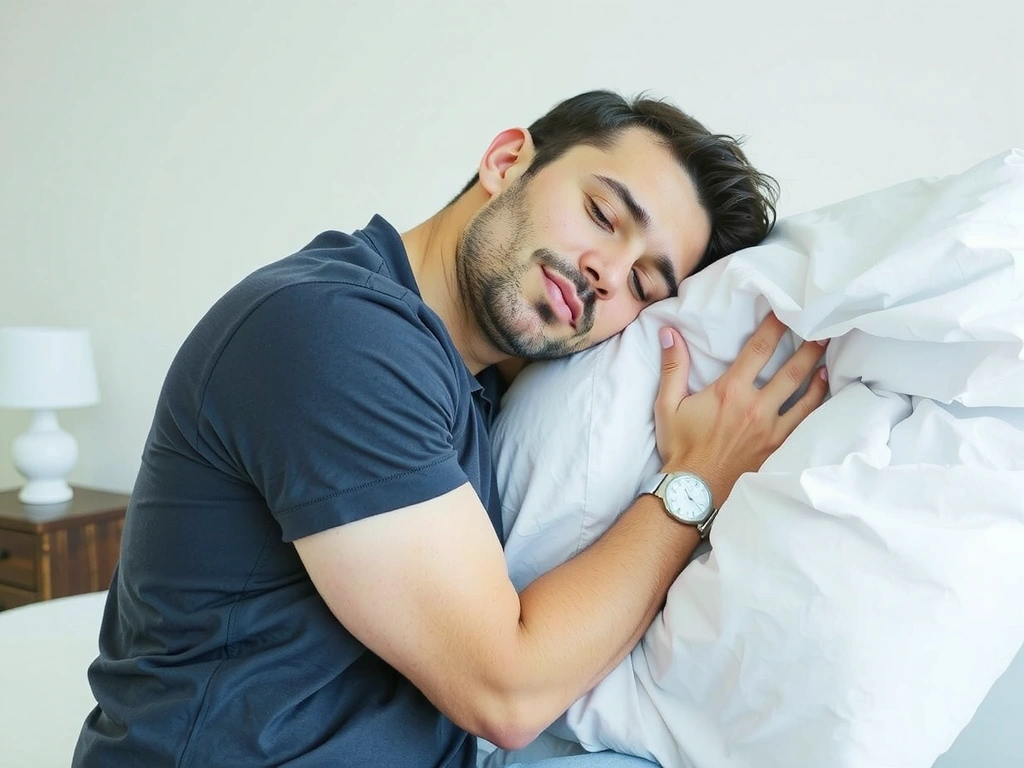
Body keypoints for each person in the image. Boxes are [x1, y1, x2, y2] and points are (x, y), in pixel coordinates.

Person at [73, 90, 829, 767]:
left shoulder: (474, 383)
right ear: (506, 162)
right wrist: (694, 482)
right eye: (602, 213)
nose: (607, 271)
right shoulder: (334, 333)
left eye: (644, 282)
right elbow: (506, 692)